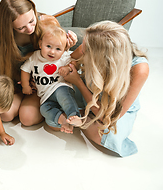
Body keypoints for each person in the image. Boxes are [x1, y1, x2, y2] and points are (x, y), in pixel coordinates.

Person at [62, 20, 149, 157]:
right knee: (57, 88)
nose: (82, 49)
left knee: (107, 137)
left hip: (112, 108)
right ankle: (83, 115)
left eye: (86, 49)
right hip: (90, 90)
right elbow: (70, 60)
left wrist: (78, 82)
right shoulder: (89, 43)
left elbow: (109, 118)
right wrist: (70, 67)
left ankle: (82, 118)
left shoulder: (139, 69)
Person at [0, 0, 77, 126]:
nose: (30, 28)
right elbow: (1, 68)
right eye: (21, 27)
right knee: (5, 114)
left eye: (32, 21)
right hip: (19, 83)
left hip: (43, 84)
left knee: (27, 119)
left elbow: (58, 54)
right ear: (9, 27)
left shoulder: (48, 22)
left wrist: (68, 46)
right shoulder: (4, 37)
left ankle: (52, 110)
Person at [20, 26, 82, 134]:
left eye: (58, 49)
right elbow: (25, 70)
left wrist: (68, 68)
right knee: (44, 109)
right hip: (45, 96)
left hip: (59, 87)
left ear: (64, 50)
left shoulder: (63, 57)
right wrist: (25, 86)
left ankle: (74, 115)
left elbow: (75, 63)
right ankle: (63, 120)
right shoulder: (35, 57)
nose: (52, 52)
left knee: (64, 97)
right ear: (40, 44)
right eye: (48, 46)